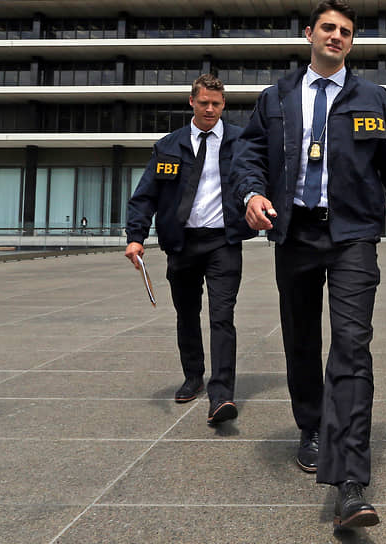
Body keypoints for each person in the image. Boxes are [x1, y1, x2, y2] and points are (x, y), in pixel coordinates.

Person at [232, 0, 386, 530]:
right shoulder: (276, 97)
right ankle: (311, 426)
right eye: (328, 28)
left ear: (351, 42)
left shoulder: (373, 98)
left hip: (353, 235)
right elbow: (248, 154)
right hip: (293, 232)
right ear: (309, 34)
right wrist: (252, 193)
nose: (336, 36)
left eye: (345, 31)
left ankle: (350, 483)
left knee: (351, 345)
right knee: (300, 339)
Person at [126, 74, 255, 426]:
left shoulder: (241, 142)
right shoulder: (169, 146)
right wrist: (136, 237)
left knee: (222, 316)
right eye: (204, 103)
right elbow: (146, 196)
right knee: (186, 314)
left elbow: (258, 179)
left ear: (224, 104)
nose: (210, 109)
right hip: (182, 244)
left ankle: (222, 394)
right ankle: (193, 375)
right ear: (191, 102)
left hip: (223, 242)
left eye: (216, 104)